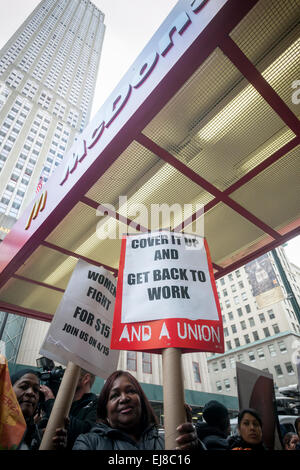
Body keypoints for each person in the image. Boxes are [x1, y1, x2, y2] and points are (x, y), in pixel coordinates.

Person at [73, 370, 205, 450]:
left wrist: (195, 447)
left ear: (142, 400)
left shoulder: (169, 441)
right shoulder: (88, 443)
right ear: (105, 410)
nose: (124, 398)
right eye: (114, 395)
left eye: (130, 391)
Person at [40, 368, 98, 449]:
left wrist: (51, 403)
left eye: (70, 374)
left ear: (86, 379)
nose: (65, 378)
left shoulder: (96, 403)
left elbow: (85, 431)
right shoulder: (63, 400)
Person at [11, 368, 67, 450]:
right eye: (24, 386)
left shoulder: (37, 437)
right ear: (8, 390)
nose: (31, 392)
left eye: (36, 390)